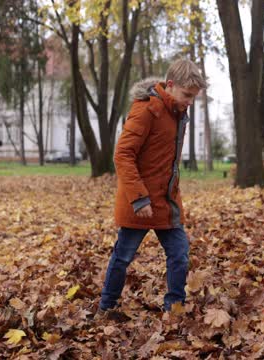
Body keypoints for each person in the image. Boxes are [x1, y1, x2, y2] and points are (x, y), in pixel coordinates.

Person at [98, 59, 207, 317]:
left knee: (179, 254)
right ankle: (107, 306)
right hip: (140, 203)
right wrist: (139, 198)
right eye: (186, 95)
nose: (190, 101)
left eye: (194, 97)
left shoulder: (177, 112)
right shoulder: (146, 110)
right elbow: (123, 154)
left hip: (166, 202)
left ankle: (175, 308)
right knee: (123, 256)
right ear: (170, 86)